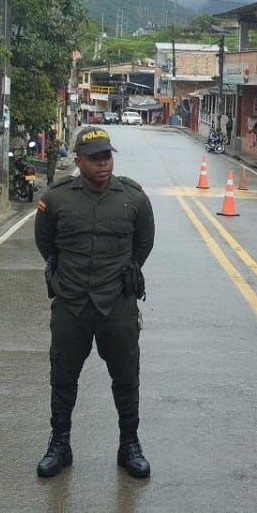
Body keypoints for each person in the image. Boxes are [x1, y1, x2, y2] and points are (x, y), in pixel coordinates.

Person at [33, 126, 156, 478]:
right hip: (71, 304)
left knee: (126, 376)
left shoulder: (132, 198)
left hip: (117, 303)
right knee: (63, 377)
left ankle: (129, 445)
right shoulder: (56, 199)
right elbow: (46, 244)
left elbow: (143, 244)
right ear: (78, 161)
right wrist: (65, 279)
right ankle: (60, 444)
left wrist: (122, 274)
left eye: (107, 157)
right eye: (94, 158)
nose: (103, 164)